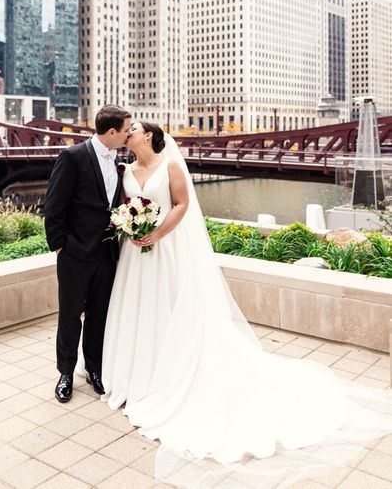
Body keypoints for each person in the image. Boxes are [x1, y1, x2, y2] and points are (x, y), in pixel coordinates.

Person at [101, 122, 392, 488]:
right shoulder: (125, 170)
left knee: (170, 309)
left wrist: (155, 233)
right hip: (136, 255)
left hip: (166, 248)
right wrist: (131, 228)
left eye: (135, 128)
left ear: (150, 136)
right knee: (139, 311)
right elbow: (124, 205)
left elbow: (183, 205)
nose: (129, 131)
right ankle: (138, 373)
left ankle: (169, 372)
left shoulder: (171, 165)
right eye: (127, 128)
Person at [44, 105, 131, 403]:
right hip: (74, 254)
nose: (128, 136)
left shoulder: (119, 160)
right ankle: (65, 373)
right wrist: (60, 246)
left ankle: (94, 368)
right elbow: (53, 205)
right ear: (111, 132)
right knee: (70, 315)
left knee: (99, 315)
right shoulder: (73, 156)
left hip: (107, 254)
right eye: (125, 131)